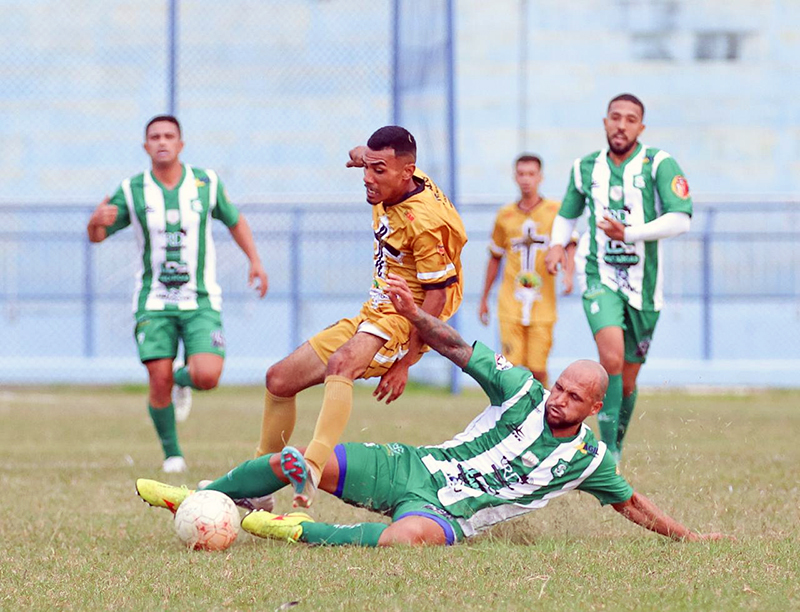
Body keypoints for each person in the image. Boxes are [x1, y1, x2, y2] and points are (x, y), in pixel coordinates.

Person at [136, 274, 727, 547]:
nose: (558, 398)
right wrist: (416, 318)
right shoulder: (521, 389)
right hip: (415, 468)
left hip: (450, 516)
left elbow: (631, 503)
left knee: (405, 539)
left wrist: (688, 535)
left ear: (594, 407)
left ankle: (294, 529)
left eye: (573, 395)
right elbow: (457, 346)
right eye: (559, 388)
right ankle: (205, 494)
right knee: (303, 461)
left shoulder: (588, 460)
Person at [254, 126, 467, 509]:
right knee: (279, 379)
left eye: (378, 170)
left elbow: (438, 295)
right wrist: (361, 157)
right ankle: (258, 490)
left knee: (342, 364)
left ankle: (313, 467)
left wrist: (407, 361)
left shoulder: (424, 222)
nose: (368, 178)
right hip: (372, 312)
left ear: (407, 171)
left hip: (402, 320)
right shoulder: (398, 177)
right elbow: (367, 157)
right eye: (367, 168)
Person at [87, 115, 268, 473]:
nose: (162, 141)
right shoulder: (131, 189)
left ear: (181, 144)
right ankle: (172, 455)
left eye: (169, 135)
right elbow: (97, 236)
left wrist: (255, 261)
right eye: (155, 136)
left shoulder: (206, 183)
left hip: (200, 299)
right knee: (157, 377)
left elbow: (235, 220)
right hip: (153, 300)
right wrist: (94, 221)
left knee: (208, 376)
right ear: (146, 146)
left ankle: (181, 382)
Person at [545, 93, 692, 461]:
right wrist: (557, 244)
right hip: (598, 274)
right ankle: (606, 454)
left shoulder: (658, 163)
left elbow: (681, 219)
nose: (621, 125)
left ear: (640, 127)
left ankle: (617, 442)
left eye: (630, 119)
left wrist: (628, 234)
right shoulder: (585, 168)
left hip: (644, 286)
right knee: (609, 359)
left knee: (626, 380)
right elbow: (567, 214)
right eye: (615, 117)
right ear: (605, 122)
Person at [478, 154, 576, 386]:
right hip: (510, 303)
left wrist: (568, 273)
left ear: (540, 177)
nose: (526, 180)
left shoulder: (555, 210)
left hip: (543, 304)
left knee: (537, 370)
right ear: (515, 176)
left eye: (531, 174)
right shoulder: (505, 215)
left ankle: (542, 415)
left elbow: (570, 242)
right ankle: (513, 418)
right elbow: (495, 257)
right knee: (510, 370)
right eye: (521, 174)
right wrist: (483, 298)